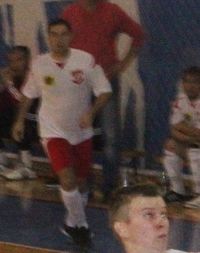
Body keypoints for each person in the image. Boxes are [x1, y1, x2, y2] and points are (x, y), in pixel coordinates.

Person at [13, 18, 112, 251]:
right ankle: (82, 226)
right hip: (52, 131)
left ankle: (71, 222)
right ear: (48, 38)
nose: (59, 40)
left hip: (81, 132)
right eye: (54, 35)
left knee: (81, 183)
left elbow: (105, 91)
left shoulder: (85, 60)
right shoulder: (39, 64)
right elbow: (29, 94)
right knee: (67, 179)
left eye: (63, 34)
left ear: (71, 36)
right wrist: (19, 120)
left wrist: (91, 113)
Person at [62, 0, 146, 197]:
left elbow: (139, 34)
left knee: (111, 135)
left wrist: (123, 64)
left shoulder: (112, 11)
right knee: (79, 134)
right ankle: (84, 184)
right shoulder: (70, 12)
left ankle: (109, 186)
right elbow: (62, 44)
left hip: (106, 80)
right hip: (77, 82)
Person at [160, 66, 200, 207]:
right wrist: (189, 137)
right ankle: (178, 191)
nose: (190, 86)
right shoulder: (181, 100)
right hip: (194, 144)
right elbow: (173, 130)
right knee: (170, 145)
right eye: (187, 82)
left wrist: (181, 127)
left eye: (195, 82)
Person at [0, 46, 39, 180]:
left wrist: (9, 84)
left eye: (19, 60)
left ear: (28, 60)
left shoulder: (33, 77)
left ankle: (27, 166)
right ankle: (1, 160)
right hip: (21, 118)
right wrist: (2, 88)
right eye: (11, 61)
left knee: (19, 116)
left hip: (38, 120)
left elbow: (23, 103)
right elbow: (1, 104)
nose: (14, 65)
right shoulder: (12, 80)